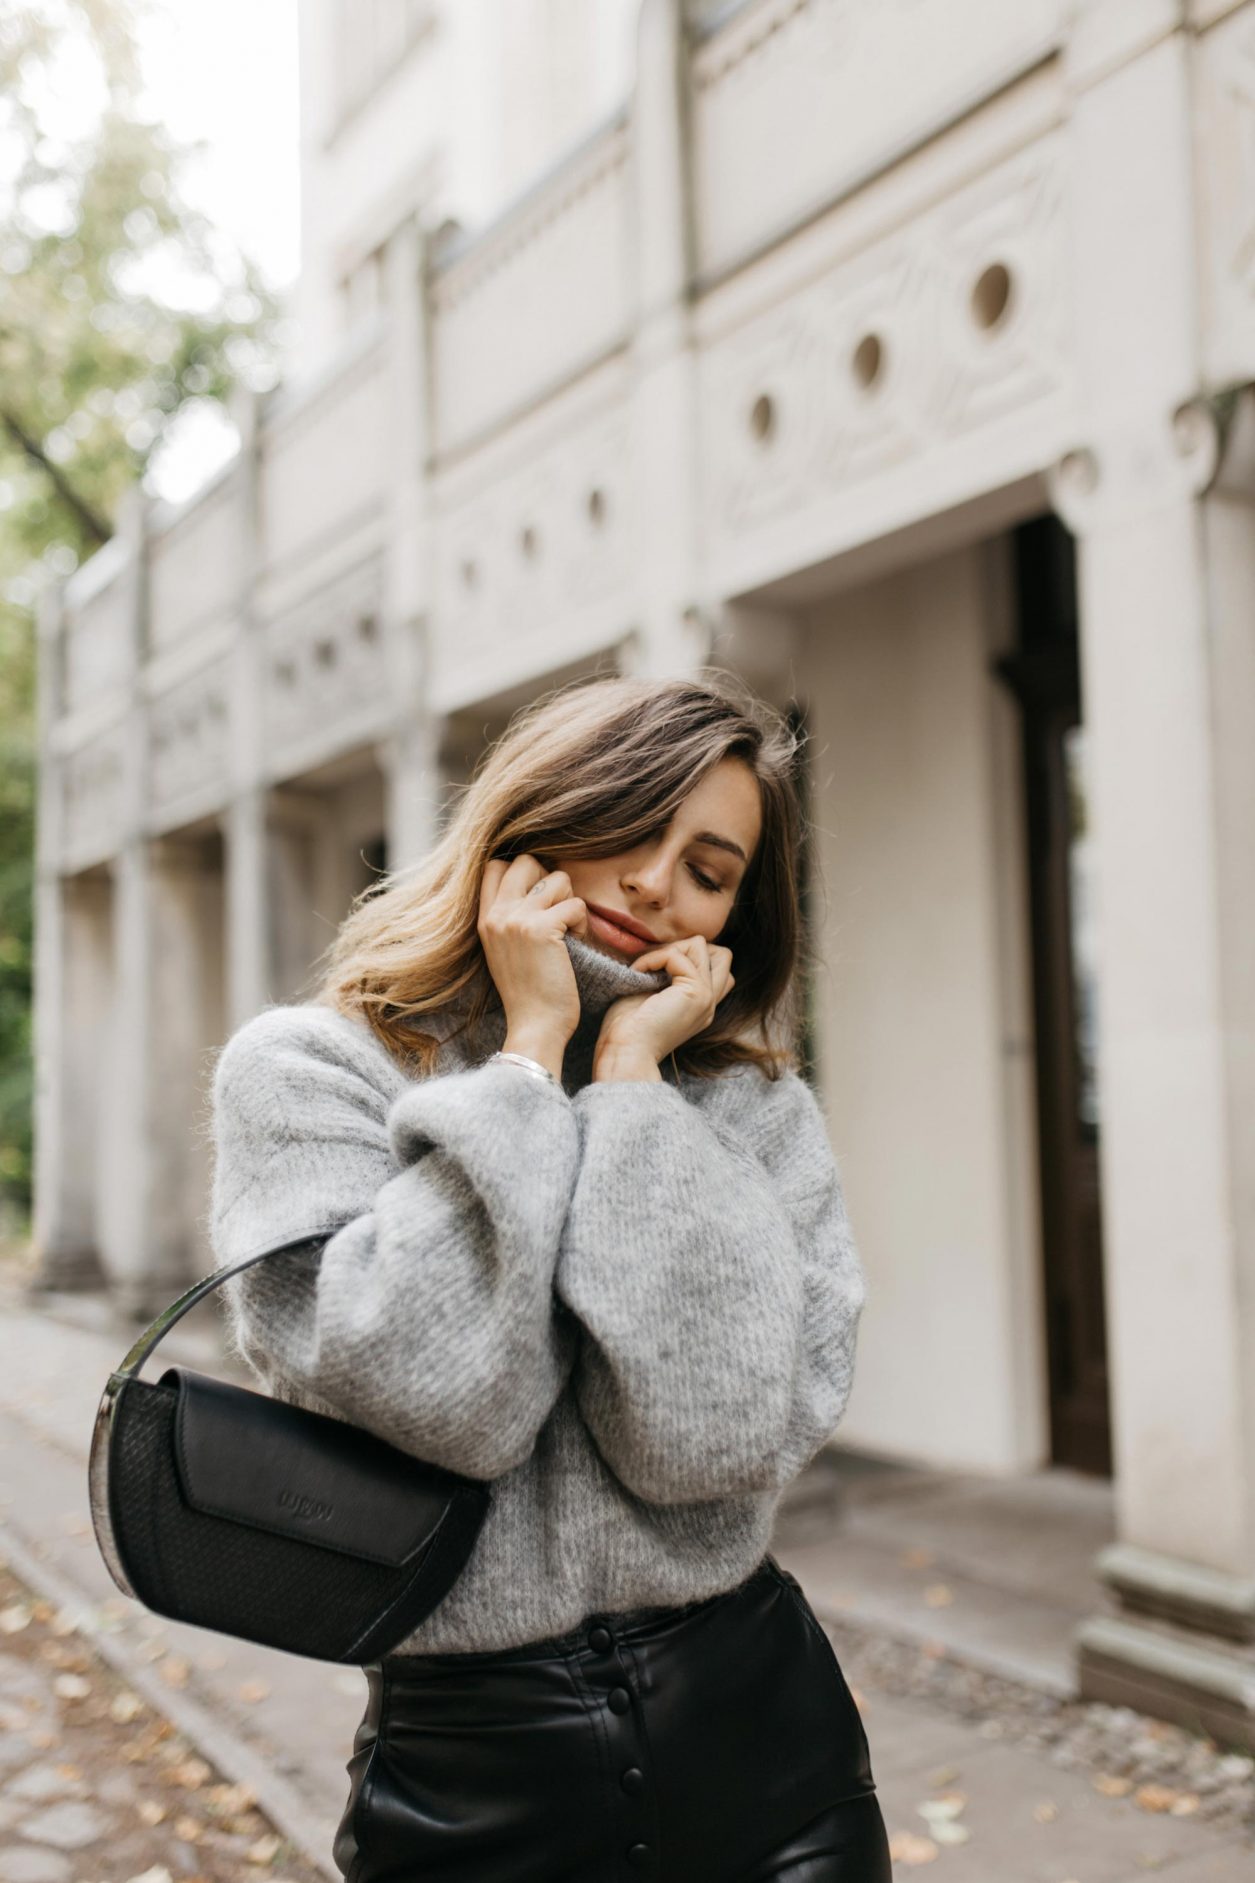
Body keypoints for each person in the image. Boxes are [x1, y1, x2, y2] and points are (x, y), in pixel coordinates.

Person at [206, 672, 892, 1881]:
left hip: (769, 1757)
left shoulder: (750, 1108)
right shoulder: (316, 1072)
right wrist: (527, 1061)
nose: (653, 882)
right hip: (473, 1779)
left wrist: (628, 1080)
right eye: (633, 821)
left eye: (708, 868)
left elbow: (706, 1443)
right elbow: (441, 1402)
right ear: (540, 811)